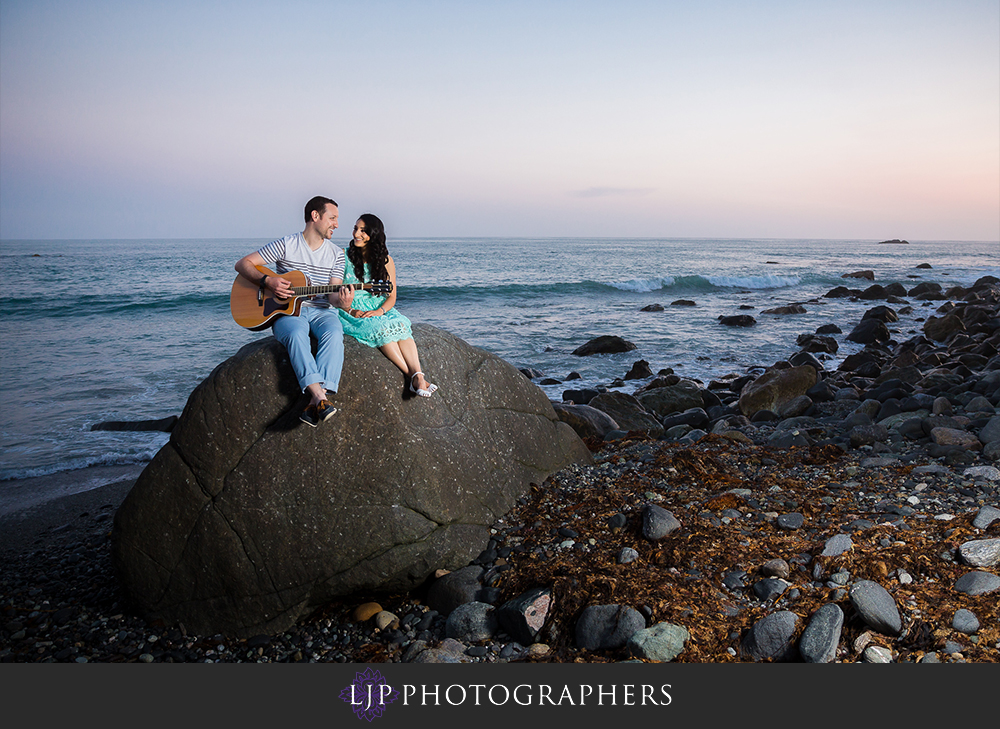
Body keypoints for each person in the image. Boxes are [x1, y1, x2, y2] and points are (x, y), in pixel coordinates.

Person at [234, 196, 353, 426]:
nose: (337, 224)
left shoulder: (337, 254)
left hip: (322, 312)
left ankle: (313, 402)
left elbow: (333, 297)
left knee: (335, 334)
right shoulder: (287, 244)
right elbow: (243, 264)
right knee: (297, 335)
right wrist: (268, 281)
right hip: (288, 313)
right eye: (332, 218)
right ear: (315, 216)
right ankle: (320, 397)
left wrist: (344, 302)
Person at [339, 213, 437, 397]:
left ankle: (417, 374)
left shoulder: (386, 260)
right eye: (355, 229)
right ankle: (415, 378)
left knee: (400, 326)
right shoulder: (343, 256)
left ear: (374, 235)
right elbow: (334, 290)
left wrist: (379, 310)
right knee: (383, 329)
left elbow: (392, 296)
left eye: (363, 231)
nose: (356, 234)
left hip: (379, 306)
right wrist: (350, 309)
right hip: (351, 308)